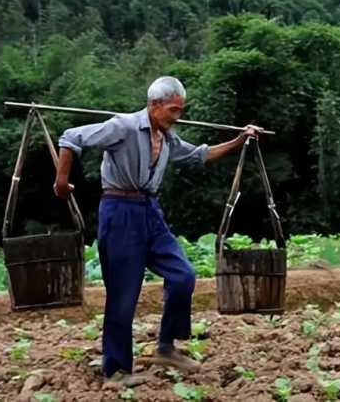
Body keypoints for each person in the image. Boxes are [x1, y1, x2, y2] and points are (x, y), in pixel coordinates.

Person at [53, 76, 261, 381]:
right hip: (119, 210)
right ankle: (117, 369)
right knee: (123, 294)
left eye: (180, 110)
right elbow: (71, 138)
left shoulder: (167, 138)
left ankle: (165, 347)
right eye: (173, 110)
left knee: (183, 276)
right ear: (154, 105)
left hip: (150, 211)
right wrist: (61, 181)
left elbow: (199, 155)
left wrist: (240, 140)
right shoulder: (122, 126)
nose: (178, 117)